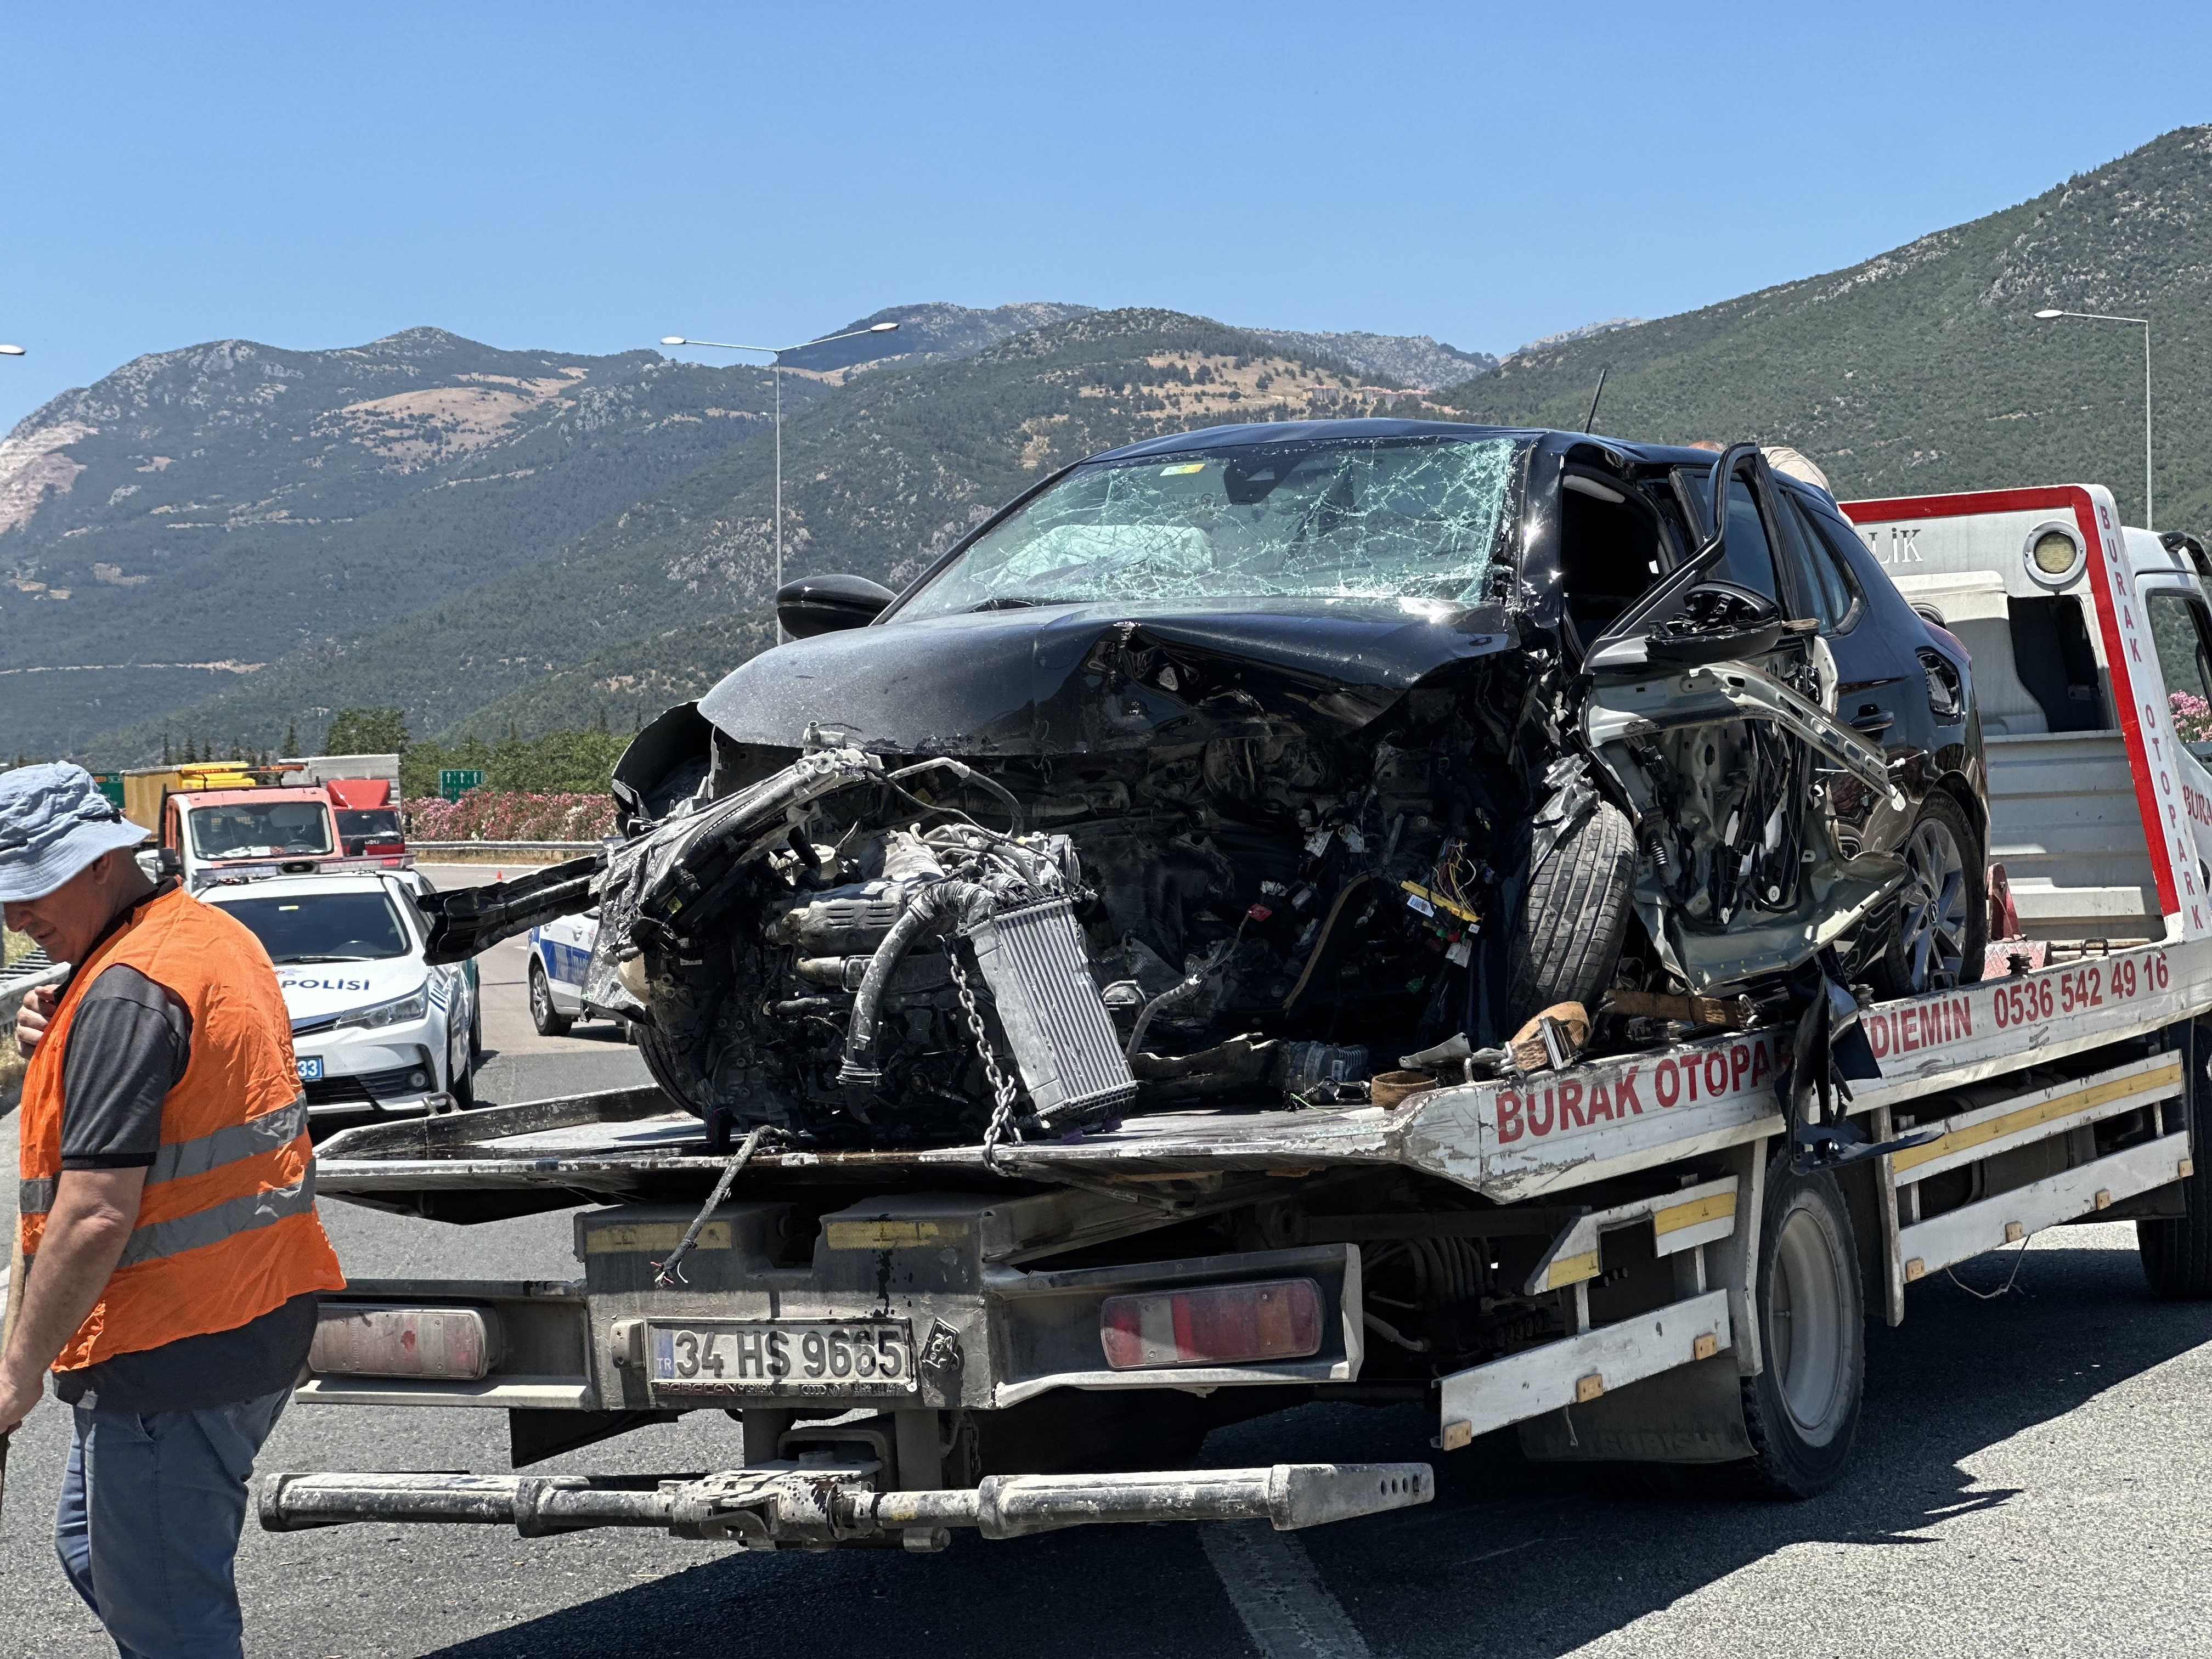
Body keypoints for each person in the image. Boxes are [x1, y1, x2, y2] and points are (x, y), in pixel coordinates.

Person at [1, 763, 345, 1658]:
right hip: (250, 1314)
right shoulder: (199, 937)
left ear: (100, 865)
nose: (14, 917)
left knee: (169, 1622)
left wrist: (15, 1375)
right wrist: (71, 1010)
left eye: (31, 888)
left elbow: (93, 1216)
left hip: (170, 1344)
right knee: (96, 1550)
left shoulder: (127, 989)